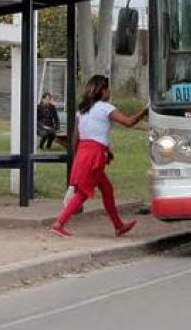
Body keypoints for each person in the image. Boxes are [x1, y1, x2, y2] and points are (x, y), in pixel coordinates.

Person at [50, 75, 148, 238]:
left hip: (83, 152)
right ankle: (59, 223)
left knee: (106, 189)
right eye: (108, 89)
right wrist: (145, 110)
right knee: (83, 192)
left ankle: (118, 226)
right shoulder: (105, 108)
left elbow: (76, 137)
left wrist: (78, 157)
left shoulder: (82, 110)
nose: (110, 92)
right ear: (102, 91)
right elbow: (129, 122)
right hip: (95, 155)